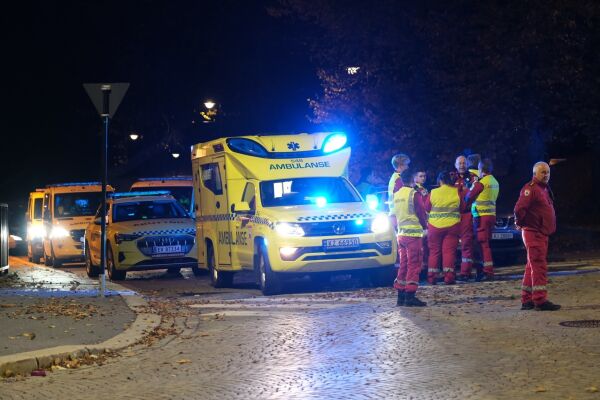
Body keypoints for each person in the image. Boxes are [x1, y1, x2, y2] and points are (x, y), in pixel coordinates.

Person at [514, 162, 561, 311]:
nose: (546, 175)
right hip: (534, 233)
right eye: (542, 172)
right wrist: (520, 223)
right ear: (535, 174)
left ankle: (526, 299)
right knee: (539, 265)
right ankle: (540, 300)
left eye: (547, 172)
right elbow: (519, 209)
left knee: (531, 266)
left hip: (540, 233)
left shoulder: (543, 189)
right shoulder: (531, 189)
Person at [392, 181, 428, 306]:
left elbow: (393, 214)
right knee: (414, 264)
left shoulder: (396, 194)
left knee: (403, 264)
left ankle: (400, 297)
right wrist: (425, 226)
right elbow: (421, 212)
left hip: (401, 234)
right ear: (412, 181)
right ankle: (410, 297)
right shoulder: (414, 194)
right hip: (413, 235)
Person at [425, 171, 463, 285]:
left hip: (435, 226)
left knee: (434, 252)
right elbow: (462, 207)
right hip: (452, 226)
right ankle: (449, 277)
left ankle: (432, 278)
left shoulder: (433, 192)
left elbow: (427, 207)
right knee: (449, 252)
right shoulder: (456, 191)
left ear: (439, 181)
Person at [464, 158, 499, 281]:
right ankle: (486, 270)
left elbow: (468, 197)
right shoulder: (495, 181)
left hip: (481, 217)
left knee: (483, 245)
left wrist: (470, 188)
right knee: (486, 243)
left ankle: (487, 272)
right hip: (491, 216)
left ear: (480, 169)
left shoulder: (482, 183)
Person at [454, 155, 478, 280]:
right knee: (450, 245)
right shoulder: (451, 178)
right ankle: (449, 273)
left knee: (466, 244)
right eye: (459, 163)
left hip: (467, 214)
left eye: (464, 163)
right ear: (455, 165)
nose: (462, 165)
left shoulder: (473, 178)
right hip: (452, 215)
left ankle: (465, 273)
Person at [410, 169, 429, 280]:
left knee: (423, 248)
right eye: (421, 176)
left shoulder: (420, 189)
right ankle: (421, 272)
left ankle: (422, 270)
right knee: (422, 248)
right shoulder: (417, 190)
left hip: (420, 220)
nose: (423, 178)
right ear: (415, 177)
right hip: (420, 221)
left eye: (424, 176)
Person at [387, 154, 410, 226]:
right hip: (398, 214)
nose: (407, 167)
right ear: (401, 166)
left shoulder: (395, 176)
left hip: (395, 212)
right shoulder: (399, 179)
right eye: (406, 164)